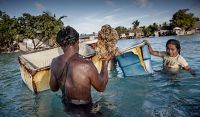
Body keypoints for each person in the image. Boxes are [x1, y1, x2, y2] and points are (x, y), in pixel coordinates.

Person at [49, 26, 111, 116]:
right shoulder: (86, 65)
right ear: (78, 41)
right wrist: (105, 62)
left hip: (67, 108)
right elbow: (101, 87)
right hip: (85, 110)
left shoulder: (54, 62)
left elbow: (53, 88)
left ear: (60, 45)